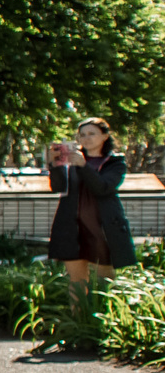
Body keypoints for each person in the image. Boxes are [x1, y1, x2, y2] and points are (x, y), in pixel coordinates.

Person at [48, 118, 136, 291]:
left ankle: (102, 309)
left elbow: (102, 188)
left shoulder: (115, 163)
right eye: (82, 135)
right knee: (77, 282)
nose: (86, 138)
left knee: (105, 281)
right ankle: (78, 310)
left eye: (91, 134)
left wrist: (83, 165)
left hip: (102, 230)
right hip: (72, 229)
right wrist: (55, 164)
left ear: (105, 136)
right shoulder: (70, 160)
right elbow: (58, 187)